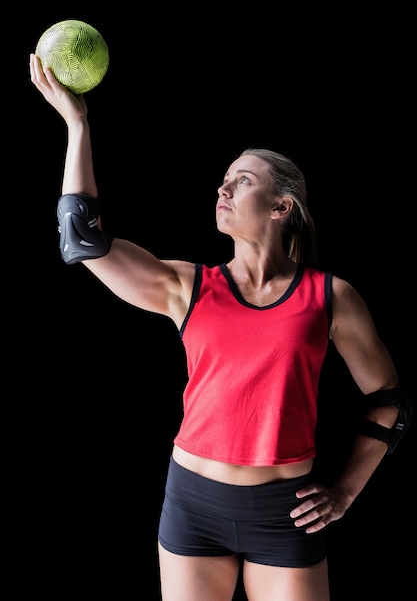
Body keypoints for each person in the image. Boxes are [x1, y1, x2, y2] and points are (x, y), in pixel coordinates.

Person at [29, 52, 411, 601]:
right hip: (193, 506)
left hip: (285, 513)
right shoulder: (188, 286)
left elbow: (389, 400)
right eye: (223, 181)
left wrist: (346, 490)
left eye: (243, 181)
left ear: (282, 207)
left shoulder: (330, 297)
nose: (223, 190)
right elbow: (81, 239)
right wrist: (77, 123)